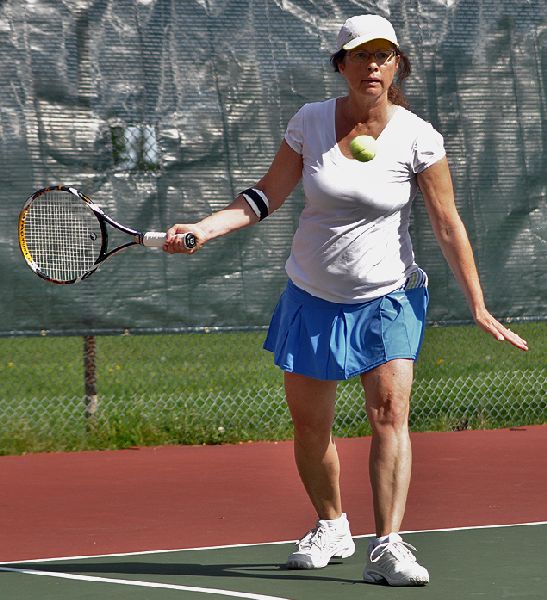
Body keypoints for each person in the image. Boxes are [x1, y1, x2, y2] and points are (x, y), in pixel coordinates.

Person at [163, 13, 528, 587]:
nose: (372, 65)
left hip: (389, 297)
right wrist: (205, 229)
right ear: (342, 65)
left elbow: (448, 225)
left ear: (397, 64)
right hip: (313, 294)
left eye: (384, 55)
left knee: (390, 416)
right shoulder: (309, 123)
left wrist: (478, 305)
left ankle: (387, 546)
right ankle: (332, 523)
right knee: (311, 429)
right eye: (360, 56)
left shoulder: (418, 137)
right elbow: (265, 195)